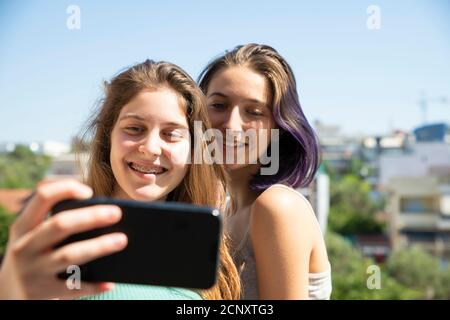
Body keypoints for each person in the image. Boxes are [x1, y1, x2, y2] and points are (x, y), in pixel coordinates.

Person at [0, 60, 240, 300]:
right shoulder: (60, 239)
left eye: (171, 134)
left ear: (194, 149)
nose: (151, 148)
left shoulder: (209, 252)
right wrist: (12, 289)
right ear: (108, 139)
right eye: (134, 128)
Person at [198, 43, 332, 299]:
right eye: (218, 105)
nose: (232, 125)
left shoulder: (277, 206)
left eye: (254, 112)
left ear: (278, 128)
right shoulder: (225, 211)